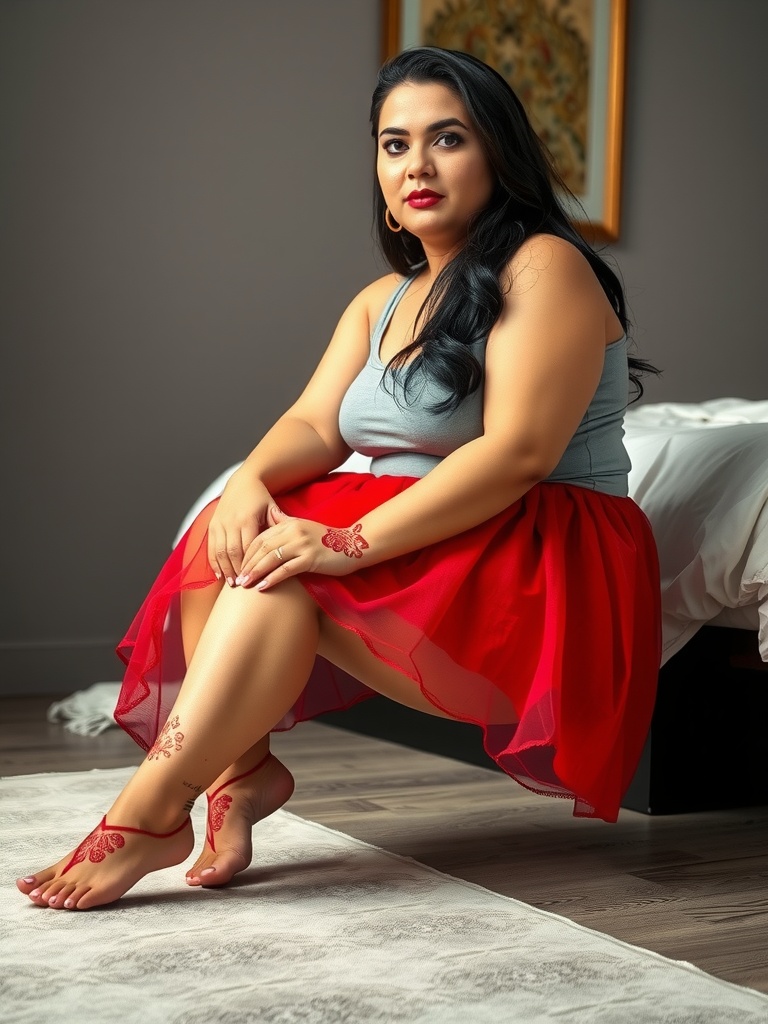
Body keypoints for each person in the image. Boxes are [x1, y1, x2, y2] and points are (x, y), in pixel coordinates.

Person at [17, 47, 660, 911]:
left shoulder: (546, 265)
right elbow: (316, 426)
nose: (417, 166)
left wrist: (346, 541)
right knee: (232, 532)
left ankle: (149, 810)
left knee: (283, 574)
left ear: (498, 153)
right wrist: (248, 480)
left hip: (539, 563)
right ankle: (239, 777)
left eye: (448, 139)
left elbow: (518, 454)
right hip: (443, 547)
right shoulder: (380, 300)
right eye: (395, 145)